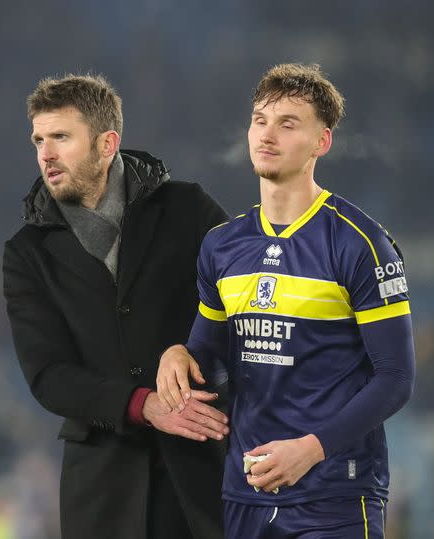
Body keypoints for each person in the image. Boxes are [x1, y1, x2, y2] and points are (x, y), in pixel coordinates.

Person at [156, 63, 416, 539]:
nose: (267, 134)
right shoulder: (222, 245)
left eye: (288, 123)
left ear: (322, 142)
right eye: (260, 120)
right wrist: (177, 354)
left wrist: (311, 449)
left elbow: (396, 379)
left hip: (335, 493)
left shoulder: (360, 243)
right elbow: (205, 352)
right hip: (246, 492)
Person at [2, 74, 230, 539]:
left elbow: (246, 305)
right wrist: (142, 405)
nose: (45, 154)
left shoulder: (187, 208)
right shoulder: (27, 253)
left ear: (107, 145)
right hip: (102, 490)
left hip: (203, 471)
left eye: (61, 137)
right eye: (39, 140)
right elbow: (48, 375)